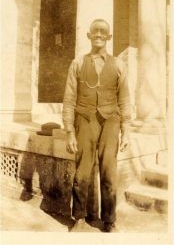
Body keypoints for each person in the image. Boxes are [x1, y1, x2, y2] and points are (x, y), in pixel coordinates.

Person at [62, 19, 131, 232]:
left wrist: (126, 131)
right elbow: (69, 99)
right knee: (82, 172)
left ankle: (109, 221)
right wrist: (69, 132)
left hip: (111, 121)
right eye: (95, 31)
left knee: (109, 171)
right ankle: (80, 218)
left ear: (109, 37)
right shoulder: (78, 64)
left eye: (103, 32)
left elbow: (125, 99)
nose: (98, 34)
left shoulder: (119, 64)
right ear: (89, 36)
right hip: (85, 119)